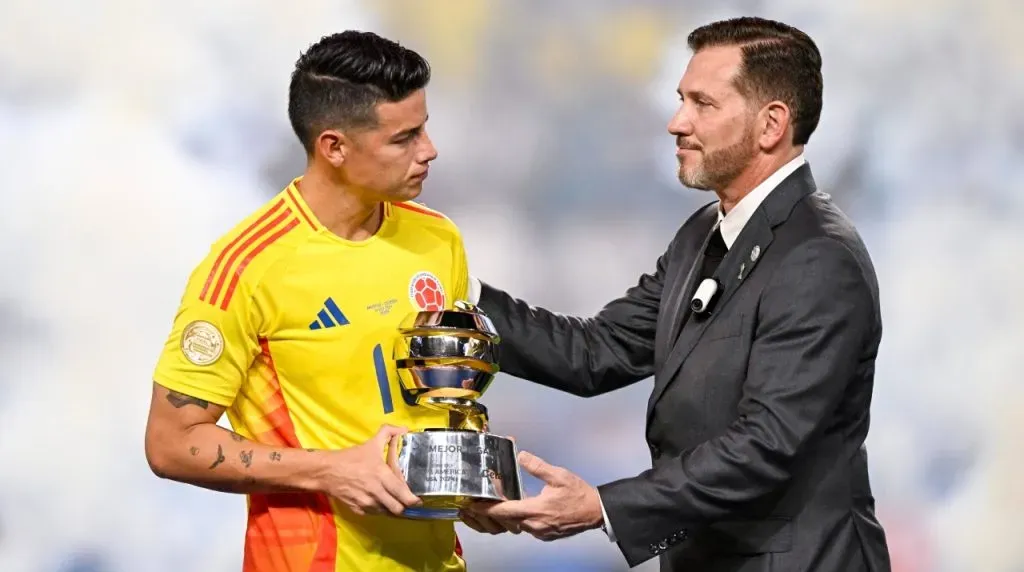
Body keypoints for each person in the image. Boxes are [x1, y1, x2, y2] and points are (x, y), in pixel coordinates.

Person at [464, 16, 892, 572]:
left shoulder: (819, 258)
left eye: (702, 104)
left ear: (771, 124)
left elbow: (766, 445)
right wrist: (457, 290)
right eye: (679, 100)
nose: (675, 122)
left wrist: (601, 507)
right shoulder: (701, 234)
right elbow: (597, 352)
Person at [145, 31, 472, 572]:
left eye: (425, 128)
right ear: (334, 147)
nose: (429, 149)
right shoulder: (247, 267)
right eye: (404, 138)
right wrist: (331, 471)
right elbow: (170, 444)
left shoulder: (438, 239)